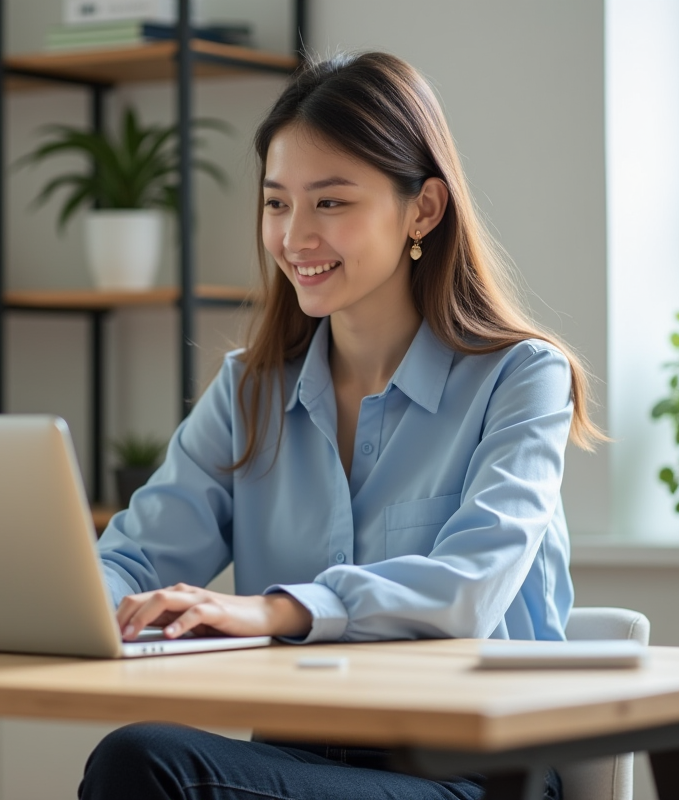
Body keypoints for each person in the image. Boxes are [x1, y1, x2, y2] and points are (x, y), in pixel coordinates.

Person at [79, 50, 600, 800]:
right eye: (276, 203)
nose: (295, 237)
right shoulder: (250, 391)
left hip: (475, 773)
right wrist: (83, 605)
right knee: (140, 757)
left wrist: (275, 610)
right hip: (299, 763)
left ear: (423, 209)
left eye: (330, 203)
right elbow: (132, 558)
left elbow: (471, 587)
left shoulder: (521, 378)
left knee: (148, 766)